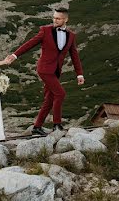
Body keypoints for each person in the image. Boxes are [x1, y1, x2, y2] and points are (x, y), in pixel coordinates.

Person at [7, 7, 84, 136]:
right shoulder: (45, 31)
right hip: (45, 69)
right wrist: (15, 55)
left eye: (58, 18)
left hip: (55, 71)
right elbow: (30, 43)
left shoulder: (71, 36)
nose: (55, 20)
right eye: (54, 17)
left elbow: (74, 55)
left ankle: (37, 126)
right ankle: (57, 125)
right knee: (60, 94)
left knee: (50, 98)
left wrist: (79, 74)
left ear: (66, 19)